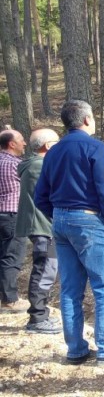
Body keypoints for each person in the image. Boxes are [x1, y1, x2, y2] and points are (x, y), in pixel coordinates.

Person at [34, 100, 104, 367]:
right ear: (86, 120)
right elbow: (103, 189)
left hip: (60, 219)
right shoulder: (94, 147)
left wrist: (59, 215)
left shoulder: (53, 151)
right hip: (89, 219)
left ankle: (76, 350)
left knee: (70, 288)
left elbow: (40, 195)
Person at [16, 128, 61, 333]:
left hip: (44, 226)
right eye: (57, 142)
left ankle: (40, 313)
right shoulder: (40, 166)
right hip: (43, 227)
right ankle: (37, 318)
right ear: (49, 146)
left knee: (47, 268)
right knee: (45, 270)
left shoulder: (36, 165)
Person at [0, 128, 28, 312]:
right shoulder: (15, 165)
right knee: (12, 256)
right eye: (21, 140)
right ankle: (10, 299)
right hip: (13, 215)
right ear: (12, 144)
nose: (24, 143)